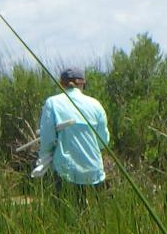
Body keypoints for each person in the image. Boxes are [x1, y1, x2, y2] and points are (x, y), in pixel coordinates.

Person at [33, 66, 110, 196]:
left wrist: (44, 160)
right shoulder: (96, 105)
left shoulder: (52, 103)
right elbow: (103, 142)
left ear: (62, 84)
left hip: (65, 174)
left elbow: (47, 140)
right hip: (94, 174)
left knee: (63, 214)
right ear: (83, 83)